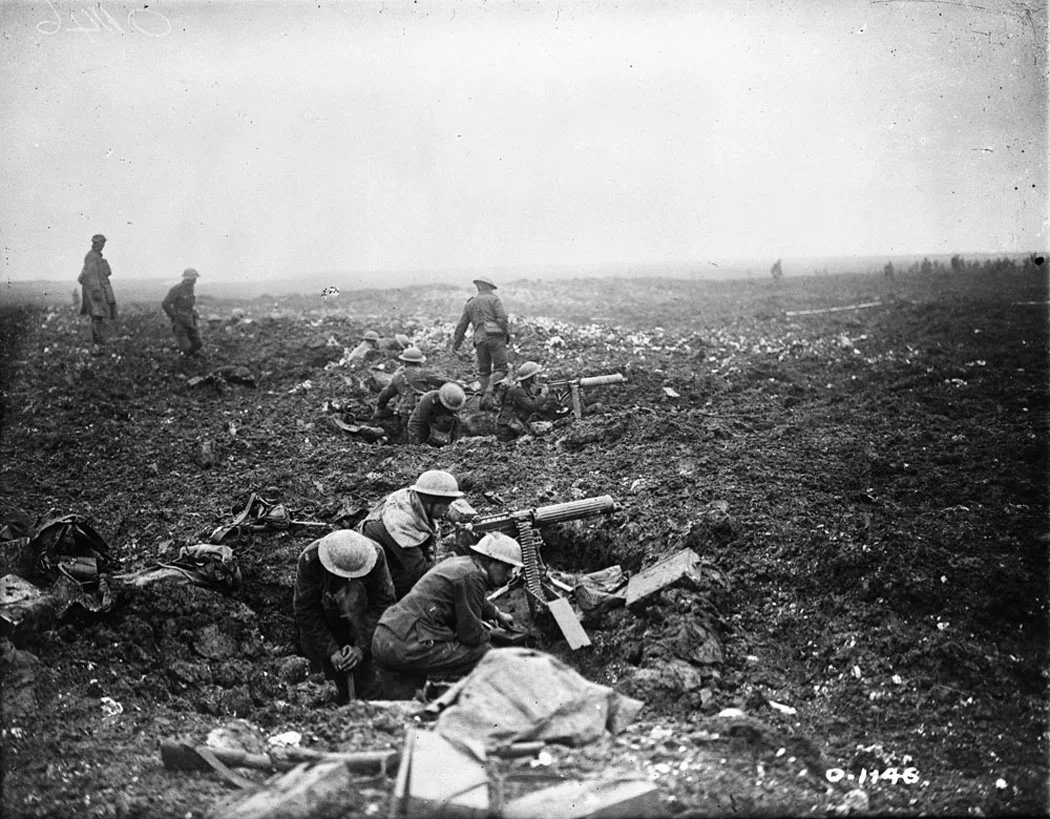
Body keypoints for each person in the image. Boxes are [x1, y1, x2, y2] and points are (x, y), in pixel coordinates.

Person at [371, 532, 522, 697]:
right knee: (483, 652)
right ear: (489, 561)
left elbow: (470, 595)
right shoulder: (473, 577)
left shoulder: (462, 565)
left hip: (385, 637)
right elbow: (470, 635)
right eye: (507, 567)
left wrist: (496, 613)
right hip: (407, 645)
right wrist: (490, 634)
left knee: (403, 707)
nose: (510, 575)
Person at [293, 530, 396, 703]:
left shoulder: (375, 556)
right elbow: (305, 610)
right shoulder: (310, 560)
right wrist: (330, 650)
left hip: (362, 618)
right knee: (321, 684)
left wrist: (361, 647)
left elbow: (384, 603)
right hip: (325, 619)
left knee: (373, 683)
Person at [359, 469, 463, 600]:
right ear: (431, 501)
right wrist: (458, 553)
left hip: (391, 550)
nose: (447, 508)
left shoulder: (414, 500)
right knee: (410, 589)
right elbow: (421, 574)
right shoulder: (401, 524)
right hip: (371, 565)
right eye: (445, 504)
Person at [451, 276, 510, 409]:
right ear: (489, 288)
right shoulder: (493, 299)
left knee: (484, 371)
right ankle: (489, 393)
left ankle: (484, 399)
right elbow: (502, 318)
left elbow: (462, 326)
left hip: (479, 341)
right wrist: (504, 334)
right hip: (495, 338)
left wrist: (456, 344)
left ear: (478, 287)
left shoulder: (470, 304)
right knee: (501, 369)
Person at [372, 347, 447, 443]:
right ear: (420, 362)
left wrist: (380, 407)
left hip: (403, 414)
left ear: (405, 362)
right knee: (423, 438)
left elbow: (384, 395)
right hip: (422, 412)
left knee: (405, 441)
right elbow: (444, 382)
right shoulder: (424, 373)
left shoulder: (398, 377)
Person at [495, 360, 557, 442]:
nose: (538, 377)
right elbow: (531, 406)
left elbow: (538, 406)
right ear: (530, 377)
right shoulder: (517, 390)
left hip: (515, 426)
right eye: (536, 375)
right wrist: (543, 395)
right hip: (508, 430)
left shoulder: (525, 388)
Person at [78, 233, 117, 350]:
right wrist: (96, 291)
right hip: (94, 291)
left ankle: (98, 339)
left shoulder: (96, 256)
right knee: (97, 315)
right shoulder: (92, 257)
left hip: (96, 289)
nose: (102, 246)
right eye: (101, 243)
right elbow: (91, 276)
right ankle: (98, 340)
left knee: (98, 315)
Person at [406, 382, 465, 447]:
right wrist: (416, 447)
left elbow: (457, 426)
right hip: (425, 431)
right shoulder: (430, 399)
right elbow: (414, 423)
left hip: (442, 436)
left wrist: (453, 445)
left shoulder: (456, 402)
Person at [161, 268, 203, 356]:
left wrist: (193, 313)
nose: (194, 281)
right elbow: (165, 303)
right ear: (187, 279)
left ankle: (189, 358)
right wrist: (174, 316)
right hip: (180, 321)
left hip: (190, 320)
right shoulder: (176, 289)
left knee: (197, 343)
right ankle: (185, 361)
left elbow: (188, 305)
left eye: (195, 279)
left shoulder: (191, 289)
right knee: (185, 347)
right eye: (192, 279)